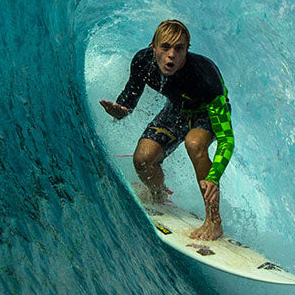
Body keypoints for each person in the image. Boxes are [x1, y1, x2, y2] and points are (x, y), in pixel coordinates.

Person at [100, 20, 234, 241]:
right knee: (143, 158)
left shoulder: (206, 77)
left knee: (194, 143)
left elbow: (227, 140)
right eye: (165, 47)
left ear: (187, 50)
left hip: (206, 114)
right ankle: (158, 193)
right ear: (154, 47)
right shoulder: (143, 62)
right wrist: (119, 112)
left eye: (179, 49)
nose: (171, 55)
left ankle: (214, 221)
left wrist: (214, 174)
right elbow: (128, 103)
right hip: (177, 110)